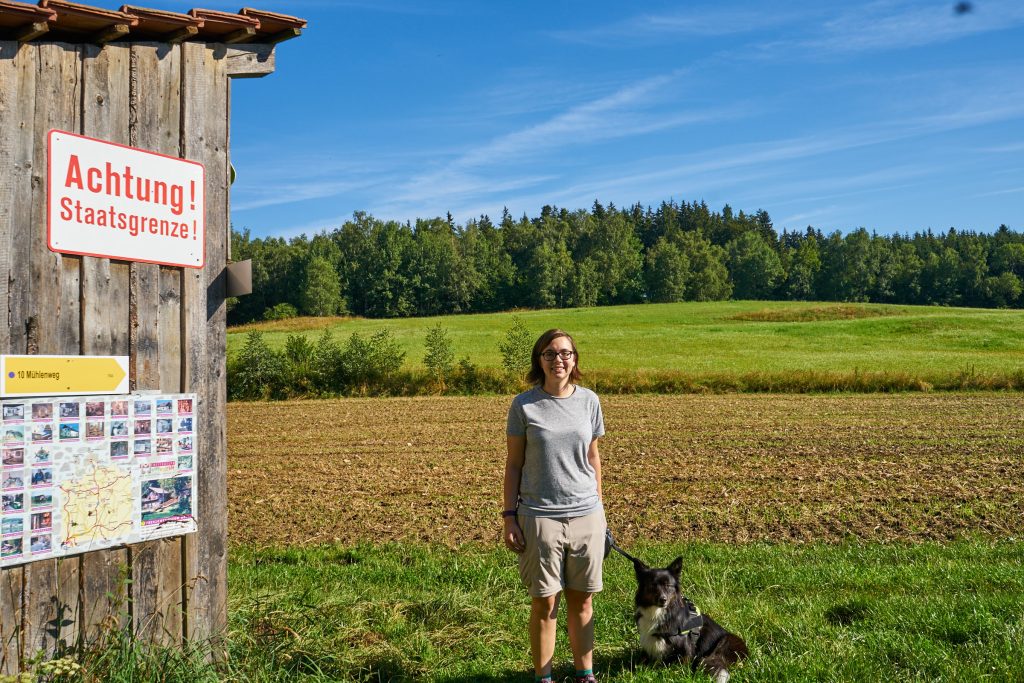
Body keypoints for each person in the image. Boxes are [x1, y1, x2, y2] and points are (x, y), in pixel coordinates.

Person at [503, 329, 606, 683]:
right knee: (545, 603)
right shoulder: (523, 405)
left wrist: (601, 515)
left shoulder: (590, 401)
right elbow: (514, 464)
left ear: (575, 359)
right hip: (539, 517)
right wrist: (509, 517)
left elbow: (593, 457)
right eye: (549, 353)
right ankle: (543, 678)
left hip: (586, 514)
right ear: (539, 360)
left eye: (565, 353)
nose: (558, 360)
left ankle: (584, 674)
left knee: (582, 601)